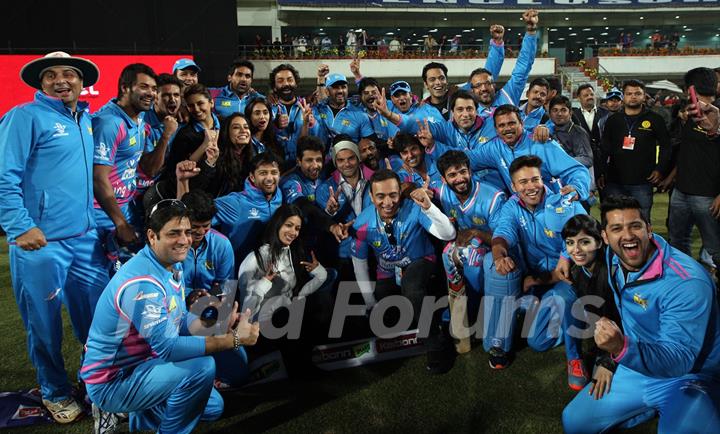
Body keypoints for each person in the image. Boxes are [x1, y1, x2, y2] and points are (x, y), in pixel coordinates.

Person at [81, 199, 260, 433]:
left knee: (212, 407)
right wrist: (234, 339)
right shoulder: (143, 283)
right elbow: (169, 348)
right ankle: (121, 409)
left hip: (144, 364)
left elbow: (180, 317)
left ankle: (140, 414)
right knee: (202, 369)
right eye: (173, 233)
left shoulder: (169, 264)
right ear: (152, 236)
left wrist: (213, 326)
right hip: (114, 380)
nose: (185, 240)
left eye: (187, 232)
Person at [0, 51, 105, 423]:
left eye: (69, 74)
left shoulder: (85, 120)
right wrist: (19, 226)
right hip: (40, 243)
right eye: (51, 75)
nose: (61, 81)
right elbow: (4, 176)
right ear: (40, 83)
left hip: (86, 240)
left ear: (81, 81)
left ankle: (95, 383)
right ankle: (55, 392)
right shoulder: (24, 117)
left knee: (99, 320)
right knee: (44, 326)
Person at [562, 195, 720, 433]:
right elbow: (577, 238)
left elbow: (679, 359)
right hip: (637, 364)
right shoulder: (612, 256)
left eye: (635, 226)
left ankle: (669, 406)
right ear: (605, 237)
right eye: (616, 228)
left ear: (648, 229)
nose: (627, 235)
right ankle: (650, 406)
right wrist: (564, 257)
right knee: (574, 421)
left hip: (689, 375)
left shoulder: (687, 282)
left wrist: (619, 350)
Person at [485, 155, 588, 390]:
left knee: (561, 298)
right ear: (513, 186)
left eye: (535, 179)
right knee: (537, 342)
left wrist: (535, 279)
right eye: (523, 182)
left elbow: (580, 247)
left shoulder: (563, 200)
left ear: (543, 179)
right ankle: (567, 320)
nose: (530, 187)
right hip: (541, 281)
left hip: (569, 278)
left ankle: (575, 358)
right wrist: (499, 253)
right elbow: (502, 232)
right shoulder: (512, 206)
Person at [351, 169, 457, 373]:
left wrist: (429, 208)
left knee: (412, 289)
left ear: (400, 192)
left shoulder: (415, 209)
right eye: (380, 196)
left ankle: (436, 345)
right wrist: (370, 301)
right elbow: (359, 262)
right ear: (371, 197)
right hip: (388, 269)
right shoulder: (362, 223)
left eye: (393, 194)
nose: (388, 202)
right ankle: (423, 316)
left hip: (420, 260)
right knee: (384, 314)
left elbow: (448, 234)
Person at [435, 151, 507, 353]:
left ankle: (476, 312)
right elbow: (419, 189)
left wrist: (475, 232)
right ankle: (455, 316)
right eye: (452, 175)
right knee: (447, 253)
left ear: (470, 171)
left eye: (463, 172)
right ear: (444, 179)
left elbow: (503, 238)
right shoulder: (442, 191)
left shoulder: (493, 197)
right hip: (463, 243)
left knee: (472, 257)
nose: (459, 179)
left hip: (494, 248)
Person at [557, 215, 622, 400]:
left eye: (584, 242)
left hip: (624, 336)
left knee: (604, 393)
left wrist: (608, 360)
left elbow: (628, 320)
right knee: (539, 341)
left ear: (600, 242)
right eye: (570, 243)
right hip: (600, 327)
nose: (576, 250)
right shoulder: (577, 270)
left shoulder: (614, 270)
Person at [667, 68, 720, 279]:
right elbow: (684, 148)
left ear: (692, 88)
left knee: (715, 247)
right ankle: (687, 281)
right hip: (681, 190)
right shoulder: (688, 111)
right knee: (677, 242)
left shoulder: (717, 111)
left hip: (707, 194)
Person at [239, 204, 332, 321]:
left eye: (297, 228)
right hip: (262, 328)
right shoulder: (254, 259)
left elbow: (301, 293)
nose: (293, 232)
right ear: (277, 224)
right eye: (289, 225)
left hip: (289, 320)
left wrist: (320, 272)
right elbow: (246, 311)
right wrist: (264, 282)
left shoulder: (293, 254)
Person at [600, 79, 672, 220]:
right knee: (613, 221)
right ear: (623, 96)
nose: (633, 97)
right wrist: (601, 172)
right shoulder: (613, 120)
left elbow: (666, 146)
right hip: (614, 181)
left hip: (642, 182)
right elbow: (604, 149)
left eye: (637, 93)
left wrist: (660, 169)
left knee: (642, 221)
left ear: (644, 96)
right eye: (629, 93)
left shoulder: (655, 119)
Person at [180, 190, 234, 293]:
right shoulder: (171, 244)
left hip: (211, 305)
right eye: (194, 226)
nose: (201, 232)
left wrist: (211, 300)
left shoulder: (223, 245)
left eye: (206, 226)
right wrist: (189, 295)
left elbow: (228, 286)